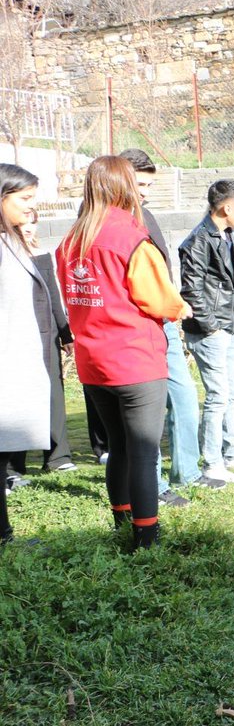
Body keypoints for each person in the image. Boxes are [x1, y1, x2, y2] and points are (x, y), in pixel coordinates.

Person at [57, 156, 191, 549]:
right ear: (124, 187)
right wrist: (180, 307)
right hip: (134, 360)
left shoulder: (72, 240)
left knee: (117, 447)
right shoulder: (131, 235)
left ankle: (120, 521)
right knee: (145, 452)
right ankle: (146, 537)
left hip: (93, 362)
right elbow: (157, 298)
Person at [119, 149, 224, 506]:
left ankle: (188, 471)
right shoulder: (113, 223)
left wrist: (172, 310)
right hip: (136, 330)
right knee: (146, 417)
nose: (145, 191)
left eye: (149, 184)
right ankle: (155, 485)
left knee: (183, 397)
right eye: (139, 183)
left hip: (164, 321)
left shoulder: (144, 215)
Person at [179, 179, 234, 483]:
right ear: (227, 208)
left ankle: (233, 452)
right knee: (218, 395)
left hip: (231, 324)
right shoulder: (199, 240)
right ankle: (212, 463)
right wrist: (211, 327)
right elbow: (192, 288)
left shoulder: (231, 236)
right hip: (211, 330)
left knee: (233, 391)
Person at [0, 164, 51, 543]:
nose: (31, 207)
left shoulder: (12, 239)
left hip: (16, 356)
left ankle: (3, 533)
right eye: (24, 199)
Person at [19, 213, 76, 474]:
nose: (29, 229)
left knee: (54, 392)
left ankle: (57, 456)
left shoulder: (42, 255)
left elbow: (53, 294)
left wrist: (65, 334)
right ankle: (12, 467)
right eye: (23, 224)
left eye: (33, 223)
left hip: (48, 333)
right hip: (17, 335)